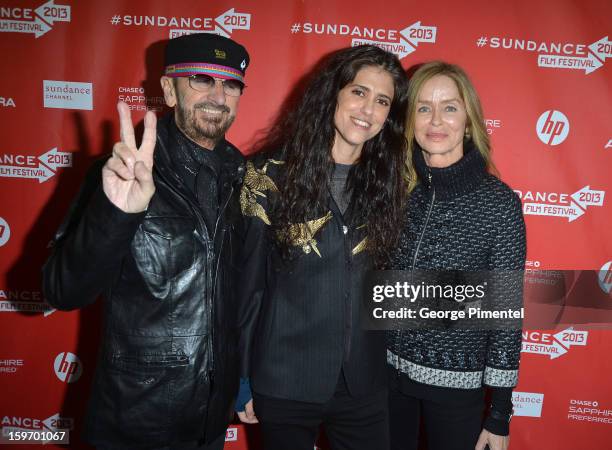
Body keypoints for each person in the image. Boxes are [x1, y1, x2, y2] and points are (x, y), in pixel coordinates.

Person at [42, 33, 250, 450]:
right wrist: (117, 214)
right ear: (169, 89)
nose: (217, 95)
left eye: (231, 84)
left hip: (211, 417)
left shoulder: (247, 177)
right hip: (135, 417)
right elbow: (61, 291)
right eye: (201, 79)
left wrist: (243, 381)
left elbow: (245, 293)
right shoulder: (120, 172)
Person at [236, 45, 409, 450]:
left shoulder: (389, 185)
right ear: (333, 93)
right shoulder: (266, 176)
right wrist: (241, 376)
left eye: (382, 100)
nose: (368, 109)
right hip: (285, 380)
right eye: (358, 92)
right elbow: (247, 287)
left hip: (363, 384)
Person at [386, 61, 526, 450]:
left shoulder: (499, 204)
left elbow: (506, 312)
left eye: (449, 107)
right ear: (409, 119)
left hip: (456, 389)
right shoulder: (394, 190)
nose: (435, 120)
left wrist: (499, 413)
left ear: (468, 121)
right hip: (384, 380)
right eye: (423, 107)